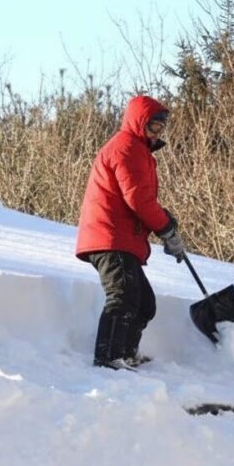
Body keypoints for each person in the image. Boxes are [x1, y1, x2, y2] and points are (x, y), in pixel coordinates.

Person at [75, 95, 185, 370]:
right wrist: (165, 228)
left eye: (161, 128)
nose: (157, 133)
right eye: (152, 126)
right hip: (110, 237)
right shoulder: (128, 148)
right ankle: (107, 359)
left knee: (145, 304)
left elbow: (139, 198)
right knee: (122, 297)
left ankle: (125, 354)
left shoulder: (137, 150)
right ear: (138, 122)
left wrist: (164, 221)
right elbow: (138, 199)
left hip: (121, 237)